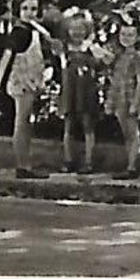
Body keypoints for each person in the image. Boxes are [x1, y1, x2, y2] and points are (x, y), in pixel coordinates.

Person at [0, 0, 54, 180]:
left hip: (32, 79)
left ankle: (25, 162)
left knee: (27, 122)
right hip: (22, 80)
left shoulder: (34, 30)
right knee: (22, 122)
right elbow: (7, 55)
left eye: (33, 9)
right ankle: (22, 165)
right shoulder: (20, 32)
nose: (29, 12)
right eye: (25, 8)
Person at [102, 15, 140, 180]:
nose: (126, 38)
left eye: (130, 35)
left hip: (130, 96)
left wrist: (135, 103)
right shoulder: (119, 56)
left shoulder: (137, 57)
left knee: (133, 132)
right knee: (126, 132)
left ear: (137, 38)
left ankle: (132, 166)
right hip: (119, 96)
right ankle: (129, 163)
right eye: (123, 35)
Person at [58, 9, 105, 174]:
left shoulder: (91, 48)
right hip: (69, 89)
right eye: (73, 29)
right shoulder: (64, 48)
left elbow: (103, 62)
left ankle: (89, 161)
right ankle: (68, 159)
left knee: (87, 125)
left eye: (81, 29)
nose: (77, 33)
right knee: (68, 126)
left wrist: (100, 57)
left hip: (86, 90)